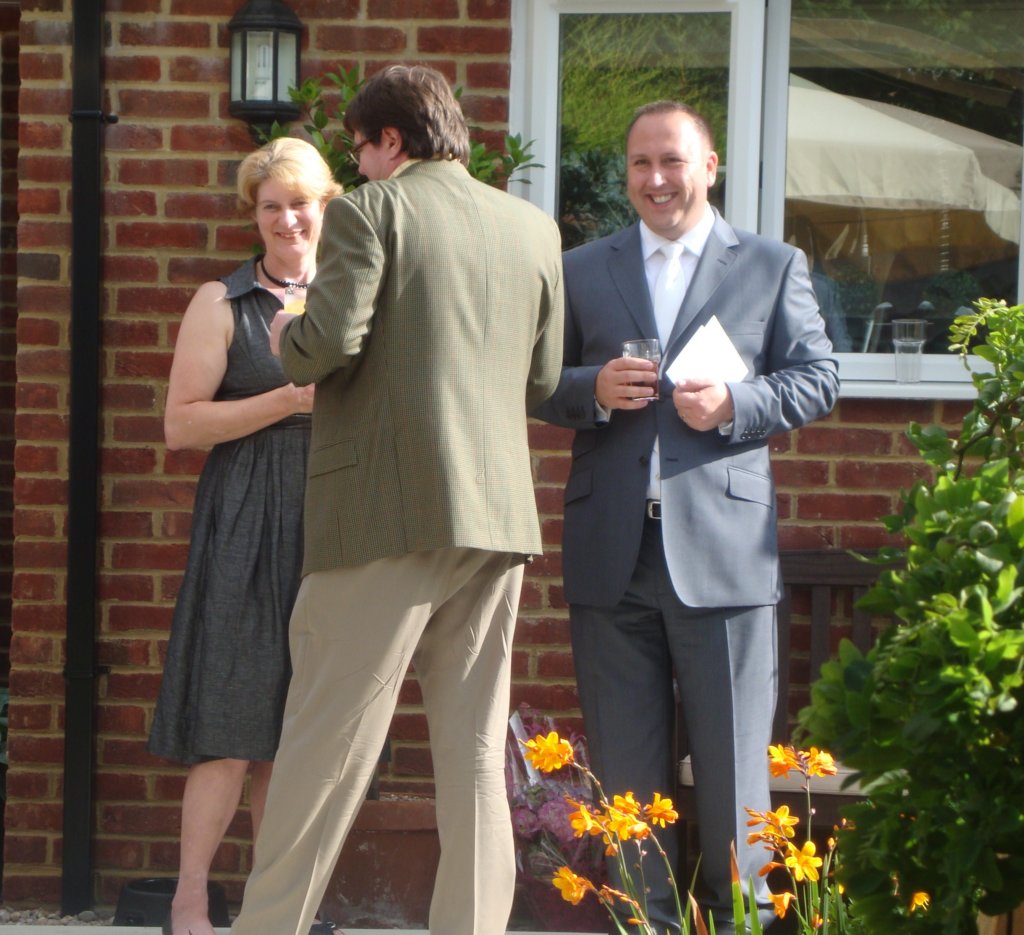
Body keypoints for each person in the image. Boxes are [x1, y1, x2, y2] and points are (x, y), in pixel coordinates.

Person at [229, 64, 564, 935]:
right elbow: (544, 379)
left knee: (321, 751)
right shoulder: (533, 227)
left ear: (390, 140)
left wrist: (286, 332)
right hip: (496, 520)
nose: (360, 166)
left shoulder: (371, 211)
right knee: (477, 756)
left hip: (382, 511)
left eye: (361, 149)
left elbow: (327, 342)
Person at [533, 101, 839, 932]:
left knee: (737, 781)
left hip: (723, 557)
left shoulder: (770, 264)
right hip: (613, 554)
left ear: (709, 167)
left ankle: (741, 923)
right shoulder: (582, 267)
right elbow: (537, 380)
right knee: (628, 788)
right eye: (640, 163)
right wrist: (591, 389)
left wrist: (736, 402)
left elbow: (818, 377)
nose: (656, 178)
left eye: (672, 160)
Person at [147, 137, 342, 935]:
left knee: (298, 738)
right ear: (254, 215)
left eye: (300, 203)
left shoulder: (356, 298)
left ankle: (277, 910)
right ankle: (190, 899)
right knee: (230, 726)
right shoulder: (221, 302)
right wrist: (287, 401)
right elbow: (181, 424)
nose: (287, 219)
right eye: (271, 207)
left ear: (325, 206)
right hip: (245, 523)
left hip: (333, 525)